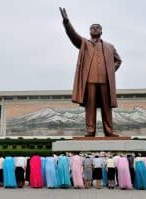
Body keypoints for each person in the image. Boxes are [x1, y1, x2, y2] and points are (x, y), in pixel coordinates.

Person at [60, 7, 122, 137]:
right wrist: (66, 22)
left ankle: (109, 131)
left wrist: (110, 71)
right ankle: (91, 130)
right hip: (90, 81)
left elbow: (118, 60)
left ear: (101, 31)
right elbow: (73, 35)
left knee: (106, 107)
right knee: (90, 107)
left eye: (97, 27)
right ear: (89, 31)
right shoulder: (84, 43)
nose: (95, 29)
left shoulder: (109, 47)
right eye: (92, 27)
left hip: (105, 82)